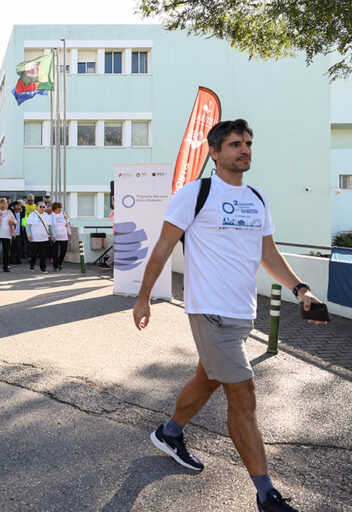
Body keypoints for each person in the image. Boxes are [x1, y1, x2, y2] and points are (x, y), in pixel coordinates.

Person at [132, 120, 326, 512]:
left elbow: (268, 255)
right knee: (244, 396)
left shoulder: (257, 198)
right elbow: (163, 247)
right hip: (210, 312)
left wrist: (300, 289)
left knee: (208, 380)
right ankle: (266, 493)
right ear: (215, 152)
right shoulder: (195, 194)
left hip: (242, 313)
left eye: (248, 143)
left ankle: (170, 434)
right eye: (236, 144)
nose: (245, 149)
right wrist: (143, 297)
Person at [26, 201, 51, 273]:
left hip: (44, 238)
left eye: (44, 207)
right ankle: (32, 265)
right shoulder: (32, 215)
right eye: (41, 206)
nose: (42, 208)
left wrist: (53, 235)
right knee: (34, 254)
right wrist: (29, 235)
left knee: (43, 254)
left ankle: (43, 268)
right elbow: (28, 226)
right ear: (37, 207)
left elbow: (50, 226)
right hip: (35, 239)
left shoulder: (46, 215)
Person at [0, 197, 15, 272]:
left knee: (6, 251)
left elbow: (15, 221)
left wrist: (13, 223)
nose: (3, 205)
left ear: (7, 205)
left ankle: (6, 266)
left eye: (5, 204)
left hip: (7, 234)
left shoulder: (9, 212)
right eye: (1, 203)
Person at [49, 202, 71, 271]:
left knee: (64, 250)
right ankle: (55, 266)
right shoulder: (51, 216)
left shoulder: (63, 214)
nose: (60, 209)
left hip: (64, 236)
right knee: (55, 252)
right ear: (55, 208)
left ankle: (60, 263)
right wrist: (50, 236)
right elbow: (49, 227)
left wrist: (69, 233)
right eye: (59, 207)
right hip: (55, 236)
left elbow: (67, 224)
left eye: (61, 207)